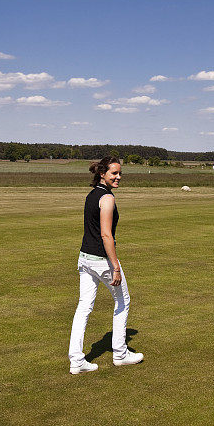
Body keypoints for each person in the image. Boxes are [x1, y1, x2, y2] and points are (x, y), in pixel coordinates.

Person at [68, 157, 144, 374]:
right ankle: (120, 353)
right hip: (101, 260)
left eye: (120, 173)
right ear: (102, 173)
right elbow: (105, 235)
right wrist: (116, 267)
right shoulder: (107, 198)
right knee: (123, 300)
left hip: (84, 258)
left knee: (84, 307)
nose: (118, 177)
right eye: (114, 173)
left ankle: (76, 360)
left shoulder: (92, 195)